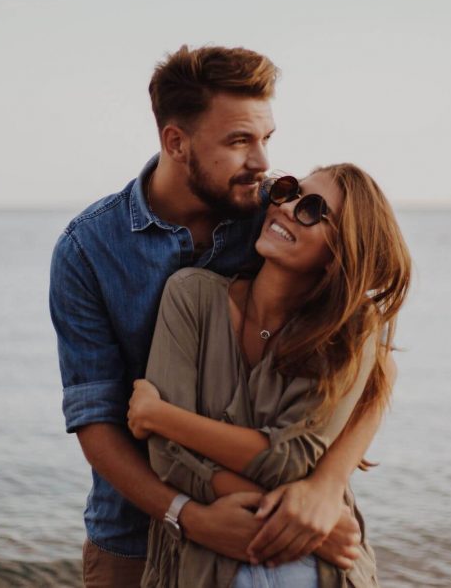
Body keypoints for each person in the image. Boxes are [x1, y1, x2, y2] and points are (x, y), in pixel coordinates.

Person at [50, 46, 389, 588]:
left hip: (291, 532)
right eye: (238, 141)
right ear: (176, 142)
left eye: (266, 139)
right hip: (136, 534)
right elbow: (97, 422)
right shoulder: (89, 249)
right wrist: (190, 515)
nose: (262, 163)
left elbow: (370, 362)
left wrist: (323, 488)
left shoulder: (275, 215)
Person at [128, 166, 411, 587]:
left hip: (323, 572)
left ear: (342, 251)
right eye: (289, 191)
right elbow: (166, 457)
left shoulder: (348, 334)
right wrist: (311, 525)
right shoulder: (190, 296)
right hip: (211, 566)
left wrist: (160, 416)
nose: (286, 207)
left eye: (313, 209)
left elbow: (290, 459)